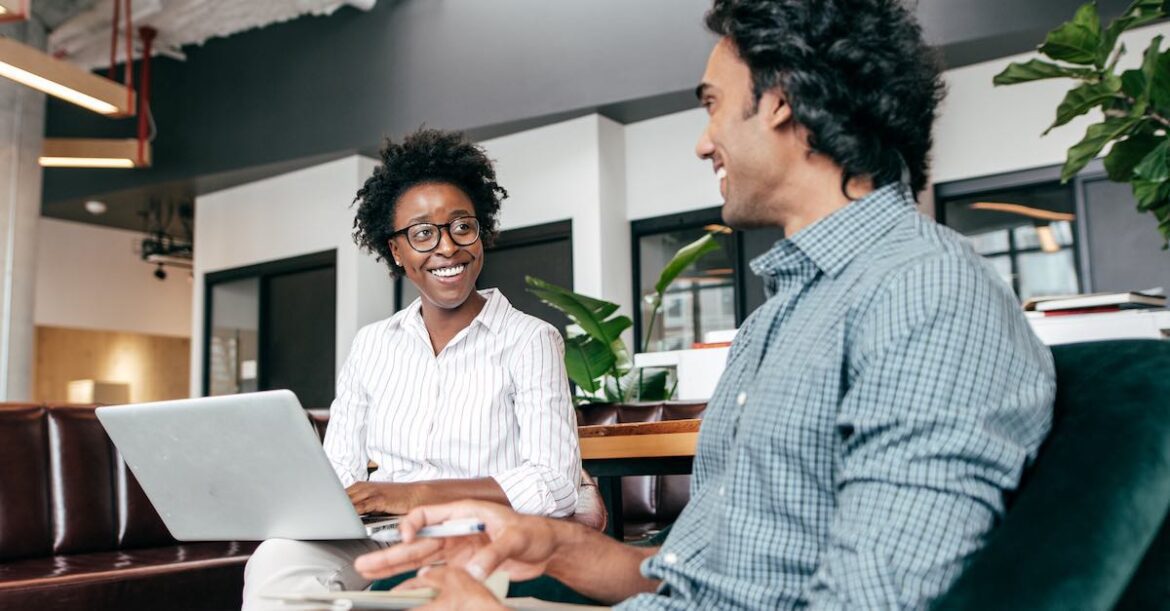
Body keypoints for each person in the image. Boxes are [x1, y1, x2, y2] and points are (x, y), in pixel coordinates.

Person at [351, 1, 1056, 608]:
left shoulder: (926, 294)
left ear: (780, 101)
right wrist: (554, 544)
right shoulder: (776, 321)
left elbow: (868, 598)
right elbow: (695, 580)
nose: (702, 141)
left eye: (712, 104)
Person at [241, 129, 581, 609]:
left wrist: (414, 494)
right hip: (380, 535)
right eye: (422, 233)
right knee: (277, 563)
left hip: (478, 535)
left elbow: (553, 483)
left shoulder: (530, 339)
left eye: (462, 226)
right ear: (396, 251)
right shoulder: (373, 344)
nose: (447, 247)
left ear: (481, 231)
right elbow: (340, 470)